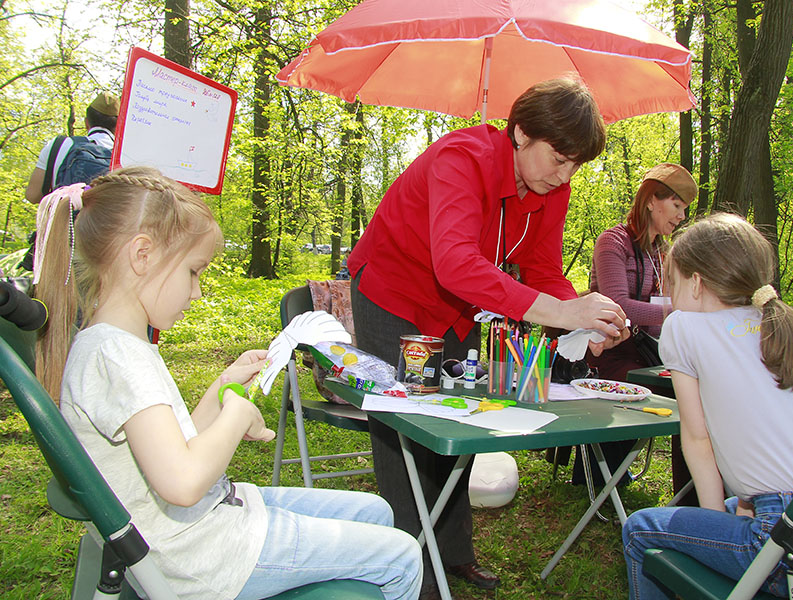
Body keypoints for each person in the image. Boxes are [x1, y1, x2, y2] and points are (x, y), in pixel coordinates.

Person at [35, 167, 423, 600]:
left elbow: (173, 448)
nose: (196, 292)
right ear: (142, 255)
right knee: (404, 555)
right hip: (202, 557)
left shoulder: (113, 345)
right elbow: (182, 483)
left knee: (375, 510)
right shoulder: (117, 355)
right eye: (193, 271)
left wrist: (224, 386)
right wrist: (238, 415)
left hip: (205, 528)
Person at [348, 76, 628, 598]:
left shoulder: (552, 188)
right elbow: (455, 263)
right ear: (521, 132)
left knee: (461, 422)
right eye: (558, 157)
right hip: (394, 293)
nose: (564, 174)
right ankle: (413, 571)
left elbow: (542, 267)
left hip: (459, 310)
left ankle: (453, 552)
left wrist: (583, 318)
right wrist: (562, 311)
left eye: (575, 165)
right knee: (404, 429)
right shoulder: (464, 158)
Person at [621, 213, 793, 600]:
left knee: (641, 528)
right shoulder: (772, 322)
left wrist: (710, 522)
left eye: (672, 283)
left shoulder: (682, 326)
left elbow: (698, 441)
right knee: (737, 505)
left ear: (696, 284)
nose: (669, 295)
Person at [573, 162, 697, 492]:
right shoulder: (613, 242)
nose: (681, 216)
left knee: (689, 393)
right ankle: (601, 475)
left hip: (646, 350)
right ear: (651, 200)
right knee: (650, 391)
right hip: (608, 349)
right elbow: (618, 306)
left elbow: (661, 305)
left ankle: (689, 492)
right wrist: (677, 310)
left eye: (684, 209)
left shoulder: (662, 251)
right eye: (676, 206)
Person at [24, 91, 120, 204]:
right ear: (118, 126)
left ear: (86, 122)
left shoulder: (58, 145)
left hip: (65, 220)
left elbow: (32, 195)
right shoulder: (124, 156)